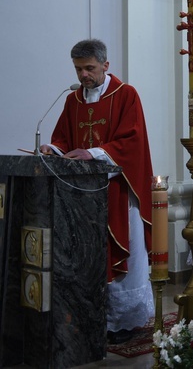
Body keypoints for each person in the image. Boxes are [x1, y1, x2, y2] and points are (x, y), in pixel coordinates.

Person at [40, 39, 154, 344]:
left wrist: (94, 153)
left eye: (89, 68)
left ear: (105, 65)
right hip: (81, 195)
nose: (83, 75)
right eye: (79, 69)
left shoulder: (126, 95)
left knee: (121, 251)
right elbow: (64, 138)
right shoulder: (72, 101)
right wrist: (52, 149)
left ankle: (124, 322)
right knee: (86, 254)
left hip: (117, 188)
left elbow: (133, 142)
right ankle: (90, 318)